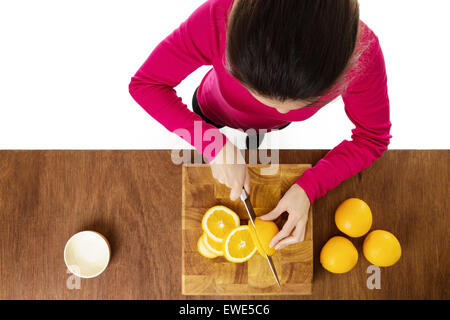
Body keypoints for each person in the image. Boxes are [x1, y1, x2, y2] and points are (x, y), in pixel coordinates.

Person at [128, 0, 392, 250]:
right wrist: (213, 144)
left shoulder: (363, 56)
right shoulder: (218, 16)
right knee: (208, 118)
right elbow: (146, 85)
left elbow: (372, 138)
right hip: (211, 105)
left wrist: (310, 187)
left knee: (262, 134)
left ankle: (258, 137)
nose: (276, 110)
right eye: (256, 93)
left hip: (274, 127)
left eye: (297, 106)